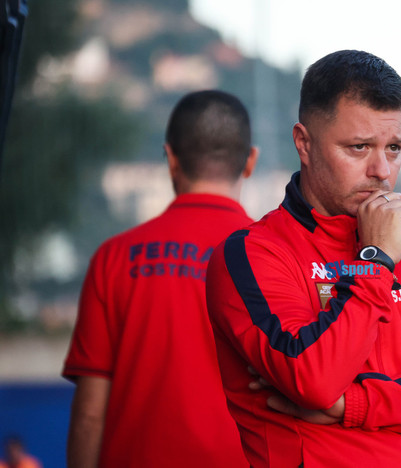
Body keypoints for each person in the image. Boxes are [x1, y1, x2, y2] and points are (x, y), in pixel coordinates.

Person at [206, 50, 401, 467]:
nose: (381, 169)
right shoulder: (253, 254)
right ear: (304, 143)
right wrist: (376, 260)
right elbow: (314, 380)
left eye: (394, 148)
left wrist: (355, 405)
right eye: (359, 147)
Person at [62, 90, 258, 467]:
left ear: (170, 160)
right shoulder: (276, 259)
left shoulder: (114, 258)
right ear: (249, 161)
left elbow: (89, 414)